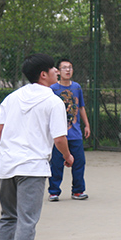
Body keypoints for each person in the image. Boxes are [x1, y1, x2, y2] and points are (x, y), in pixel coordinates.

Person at [0, 53, 74, 240]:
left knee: (8, 217)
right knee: (27, 221)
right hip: (32, 167)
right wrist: (67, 156)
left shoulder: (11, 98)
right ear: (43, 74)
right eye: (53, 68)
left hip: (8, 166)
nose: (57, 71)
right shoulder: (53, 101)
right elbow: (59, 138)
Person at [48, 58, 90, 201]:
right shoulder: (53, 89)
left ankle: (78, 191)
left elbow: (81, 107)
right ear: (58, 71)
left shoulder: (77, 87)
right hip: (58, 134)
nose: (68, 70)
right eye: (64, 68)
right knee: (56, 164)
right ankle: (54, 191)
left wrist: (87, 125)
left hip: (75, 134)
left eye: (70, 67)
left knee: (79, 162)